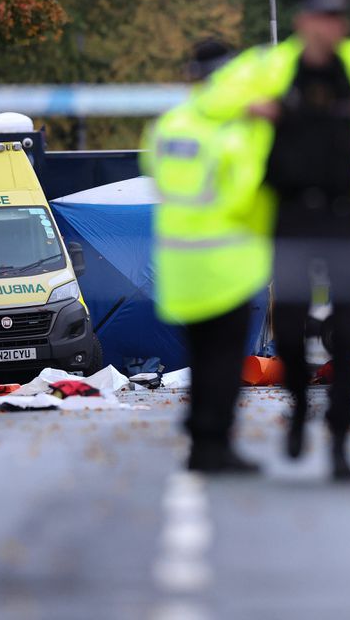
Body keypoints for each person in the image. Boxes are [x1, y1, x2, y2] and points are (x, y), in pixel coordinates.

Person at [196, 0, 350, 482]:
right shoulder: (271, 66)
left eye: (339, 20)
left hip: (343, 211)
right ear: (303, 22)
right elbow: (212, 102)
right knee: (290, 327)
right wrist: (251, 106)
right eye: (322, 19)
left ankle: (342, 439)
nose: (331, 29)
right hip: (289, 212)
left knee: (346, 332)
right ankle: (301, 407)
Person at [141, 40, 271, 474]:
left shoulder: (169, 125)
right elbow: (251, 195)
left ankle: (201, 438)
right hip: (226, 263)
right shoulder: (234, 133)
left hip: (180, 266)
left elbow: (155, 178)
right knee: (226, 360)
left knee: (201, 358)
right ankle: (215, 443)